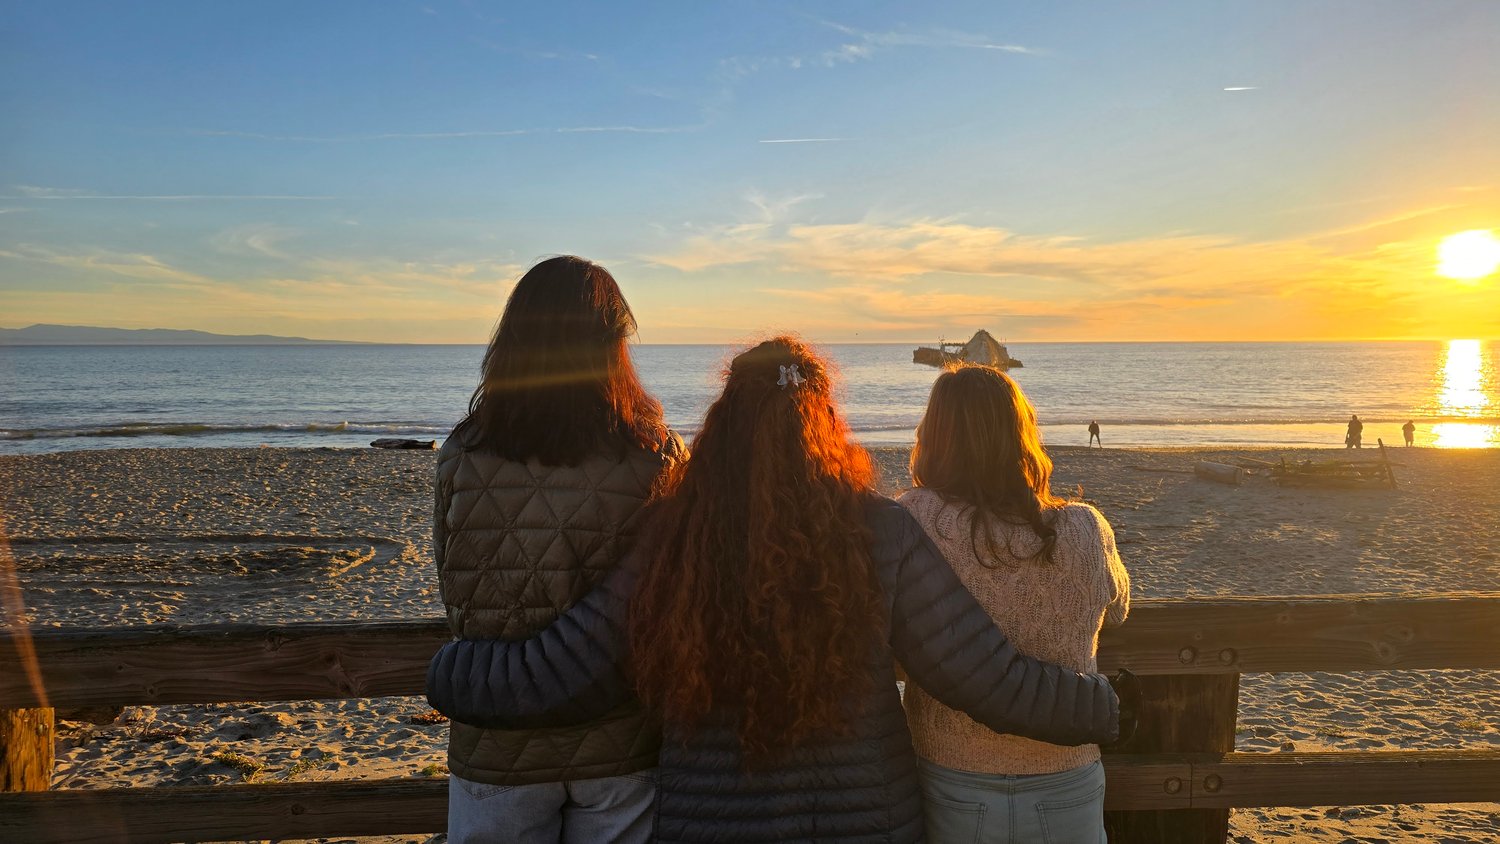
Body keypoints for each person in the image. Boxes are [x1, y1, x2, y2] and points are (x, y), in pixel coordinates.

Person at [427, 337, 1121, 844]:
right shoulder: (878, 533)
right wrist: (1100, 707)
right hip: (869, 824)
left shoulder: (676, 536)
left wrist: (449, 668)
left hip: (710, 827)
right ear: (823, 426)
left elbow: (562, 671)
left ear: (725, 427)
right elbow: (985, 677)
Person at [434, 256, 684, 844]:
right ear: (613, 345)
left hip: (498, 730)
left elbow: (453, 584)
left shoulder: (464, 453)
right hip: (620, 735)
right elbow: (673, 589)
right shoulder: (655, 455)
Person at [900, 365, 1131, 843]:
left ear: (936, 437)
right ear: (1020, 434)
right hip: (1067, 775)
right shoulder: (1084, 528)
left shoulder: (916, 519)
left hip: (951, 775)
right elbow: (1120, 606)